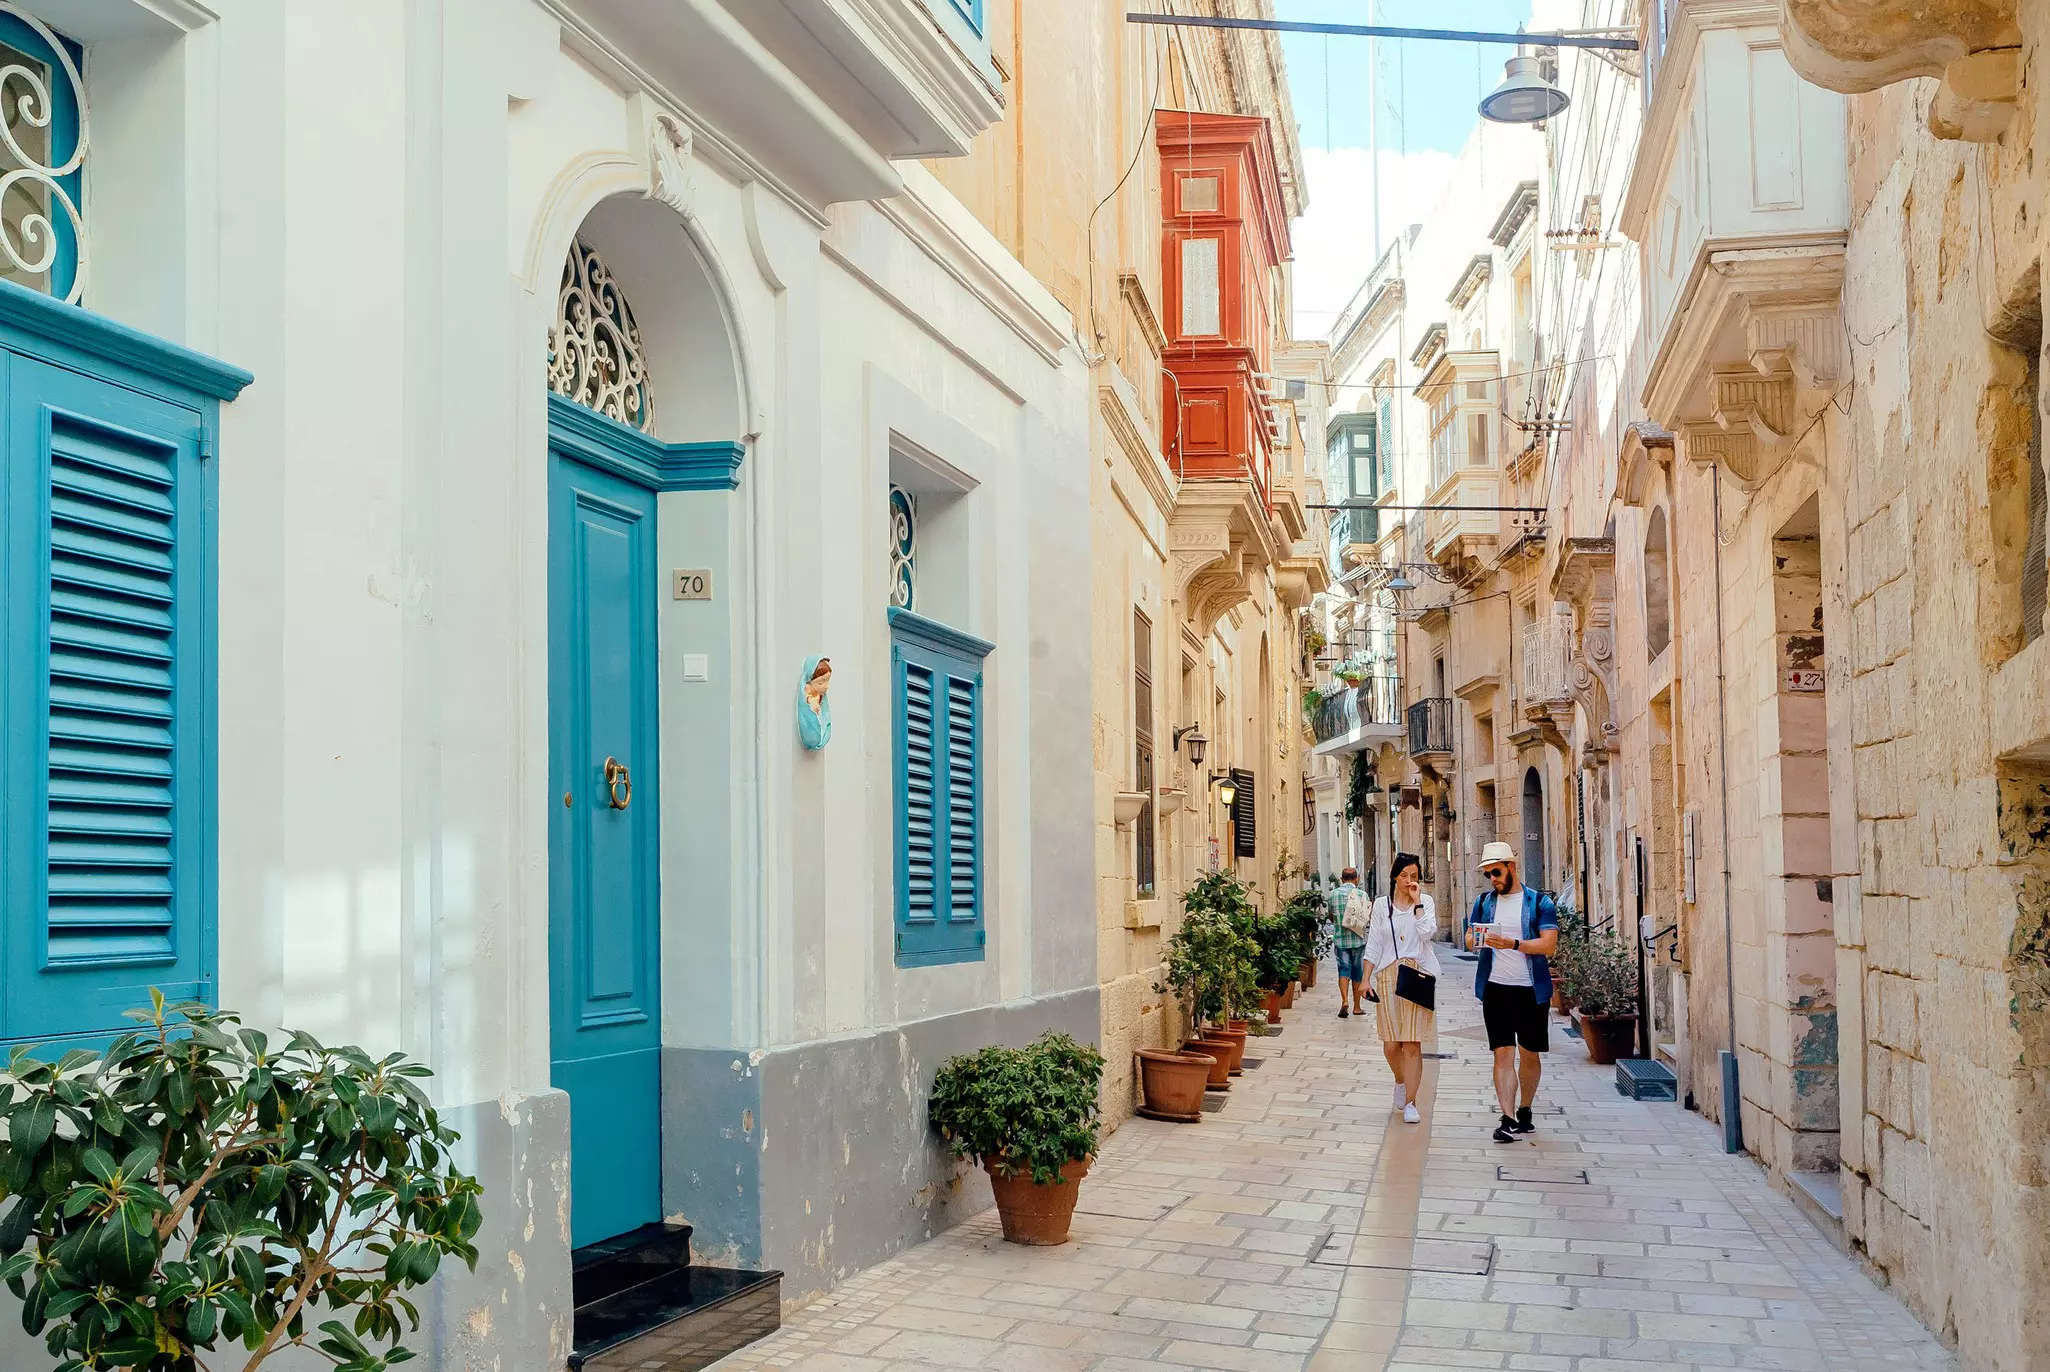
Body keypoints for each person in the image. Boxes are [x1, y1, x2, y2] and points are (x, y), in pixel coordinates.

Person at [1466, 841, 1560, 1144]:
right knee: (1502, 1054)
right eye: (1488, 874)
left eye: (1496, 872)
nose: (1493, 879)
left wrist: (1514, 944)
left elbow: (1549, 945)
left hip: (1531, 991)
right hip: (1496, 989)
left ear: (1512, 867)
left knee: (1529, 1055)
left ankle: (1525, 1109)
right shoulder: (1483, 903)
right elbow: (1469, 936)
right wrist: (1475, 940)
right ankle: (1506, 1118)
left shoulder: (1539, 903)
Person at [1363, 852, 1437, 1123]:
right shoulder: (1382, 906)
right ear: (1395, 876)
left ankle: (1411, 1103)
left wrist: (1417, 903)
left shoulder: (1425, 902)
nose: (1409, 881)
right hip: (1388, 975)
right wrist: (1365, 978)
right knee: (1392, 1044)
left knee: (1412, 1043)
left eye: (1414, 877)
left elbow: (1428, 933)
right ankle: (1400, 1079)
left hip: (1417, 973)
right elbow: (1373, 944)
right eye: (1404, 876)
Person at [1328, 867, 1368, 1018]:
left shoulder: (1333, 895)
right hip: (1358, 940)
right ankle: (1357, 1007)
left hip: (1340, 940)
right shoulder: (1362, 894)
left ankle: (1344, 1001)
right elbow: (1366, 918)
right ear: (1356, 879)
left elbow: (1330, 916)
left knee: (1343, 970)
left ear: (1341, 879)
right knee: (1357, 973)